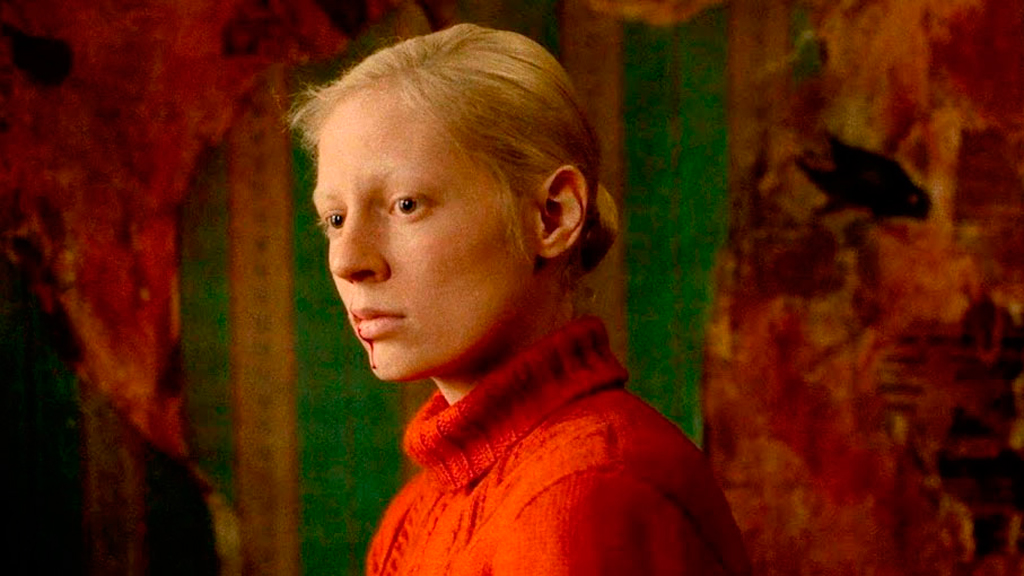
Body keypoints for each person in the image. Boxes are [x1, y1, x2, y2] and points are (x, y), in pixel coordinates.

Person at [291, 23, 750, 576]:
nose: (347, 261)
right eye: (335, 219)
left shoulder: (588, 493)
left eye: (406, 205)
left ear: (553, 216)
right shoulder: (413, 515)